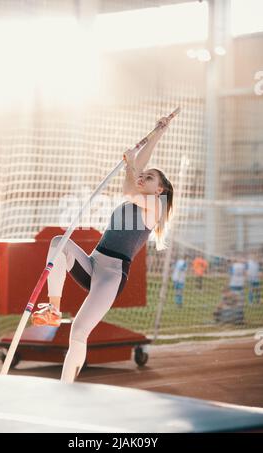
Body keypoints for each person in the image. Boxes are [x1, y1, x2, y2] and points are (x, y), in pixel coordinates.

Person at [31, 116, 174, 383]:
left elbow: (131, 187)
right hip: (94, 262)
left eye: (150, 177)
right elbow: (135, 175)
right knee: (57, 243)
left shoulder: (157, 205)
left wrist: (131, 164)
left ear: (161, 189)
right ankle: (53, 309)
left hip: (111, 275)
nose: (143, 176)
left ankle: (66, 388)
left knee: (78, 332)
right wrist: (158, 133)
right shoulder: (139, 190)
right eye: (143, 175)